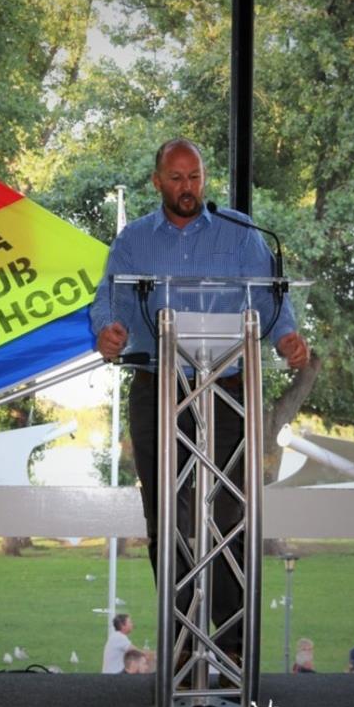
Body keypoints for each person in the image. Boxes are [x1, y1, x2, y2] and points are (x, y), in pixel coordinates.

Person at [91, 138, 309, 672]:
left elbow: (270, 296)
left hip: (227, 387)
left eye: (195, 178)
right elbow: (108, 299)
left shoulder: (241, 234)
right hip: (157, 387)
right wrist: (108, 332)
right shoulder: (135, 240)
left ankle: (231, 642)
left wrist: (287, 337)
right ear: (157, 181)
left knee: (228, 515)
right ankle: (181, 635)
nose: (187, 188)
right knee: (166, 513)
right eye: (176, 178)